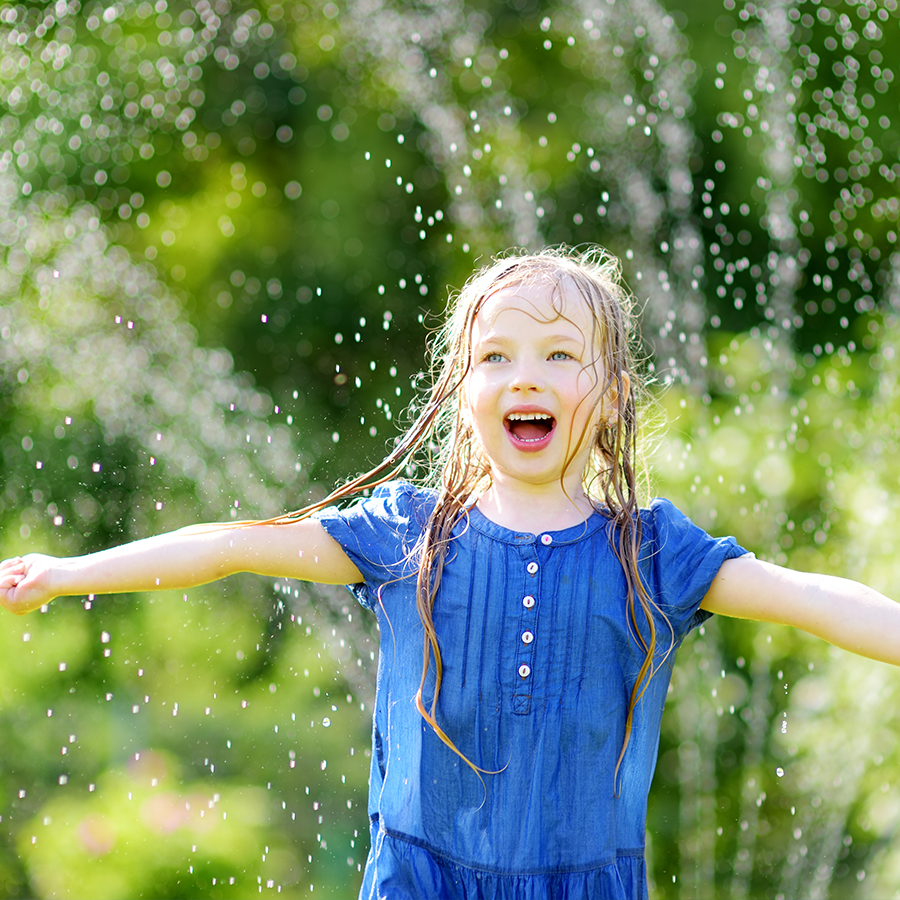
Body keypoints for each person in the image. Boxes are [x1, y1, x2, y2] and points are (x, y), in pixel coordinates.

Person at [1, 247, 899, 900]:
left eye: (558, 356)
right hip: (417, 877)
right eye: (496, 357)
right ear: (462, 394)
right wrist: (68, 568)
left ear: (613, 394)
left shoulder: (652, 554)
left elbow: (810, 598)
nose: (524, 377)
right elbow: (230, 543)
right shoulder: (406, 535)